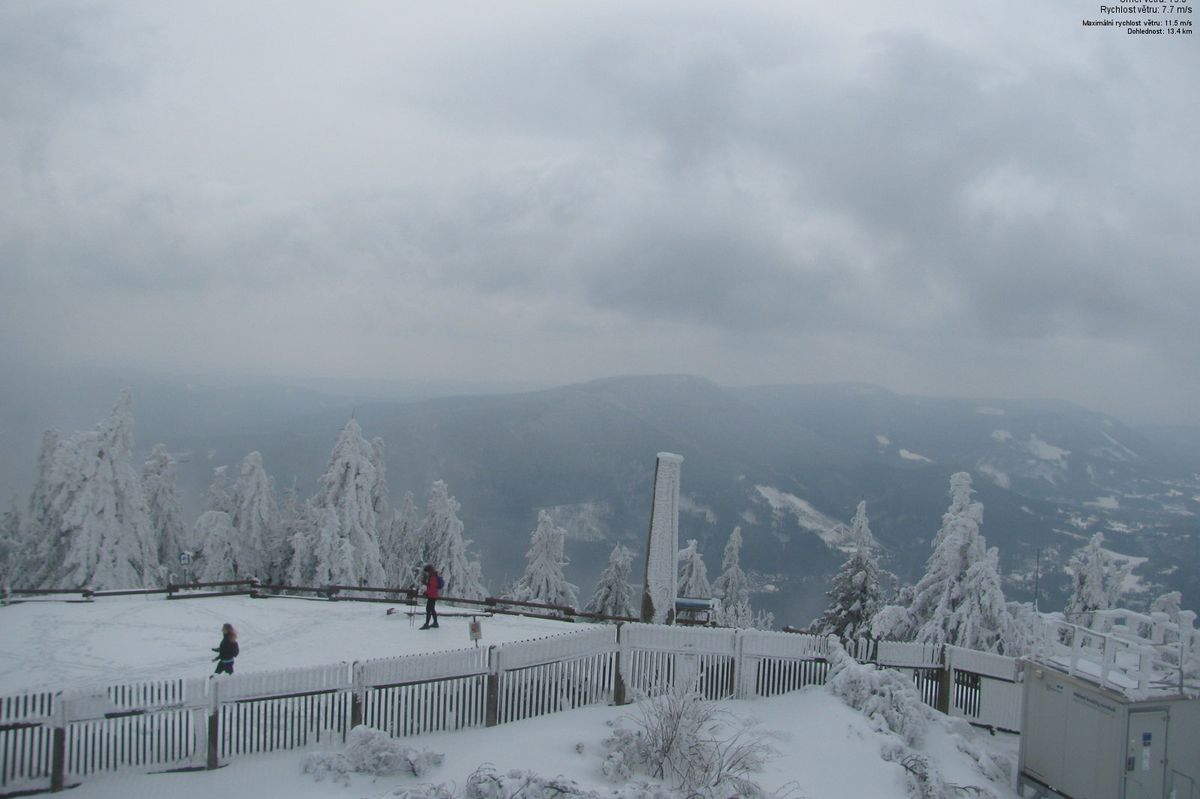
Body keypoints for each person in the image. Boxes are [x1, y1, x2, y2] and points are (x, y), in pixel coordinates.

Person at [420, 564, 440, 629]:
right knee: (432, 609)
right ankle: (435, 623)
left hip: (432, 596)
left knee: (428, 609)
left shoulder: (432, 578)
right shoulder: (433, 577)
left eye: (427, 572)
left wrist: (426, 593)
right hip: (433, 595)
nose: (426, 573)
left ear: (429, 571)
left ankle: (427, 624)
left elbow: (432, 588)